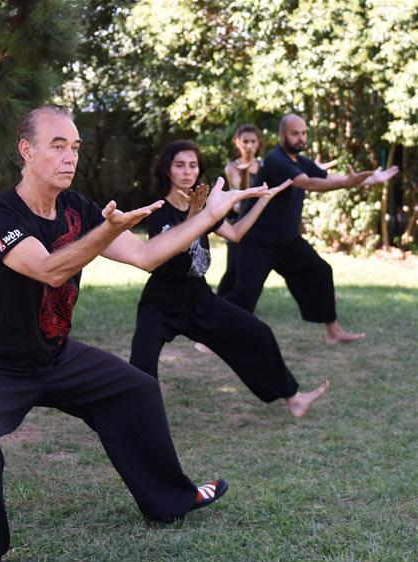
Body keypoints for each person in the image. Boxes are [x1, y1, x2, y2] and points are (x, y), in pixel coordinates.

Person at [0, 105, 268, 562]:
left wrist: (208, 217)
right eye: (57, 146)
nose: (70, 157)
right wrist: (107, 231)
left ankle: (171, 498)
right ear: (26, 151)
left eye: (75, 147)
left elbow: (148, 256)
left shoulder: (78, 209)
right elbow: (49, 269)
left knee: (136, 389)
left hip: (54, 353)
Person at [129, 140, 329, 418]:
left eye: (193, 165)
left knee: (258, 333)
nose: (187, 172)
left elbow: (236, 234)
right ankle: (138, 420)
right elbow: (168, 250)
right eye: (179, 165)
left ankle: (294, 399)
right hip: (161, 299)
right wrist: (194, 213)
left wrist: (263, 202)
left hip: (199, 297)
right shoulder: (158, 209)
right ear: (167, 169)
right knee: (141, 363)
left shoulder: (204, 207)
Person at [224, 114, 399, 345]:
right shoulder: (276, 160)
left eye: (304, 133)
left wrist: (367, 180)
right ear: (282, 135)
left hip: (287, 241)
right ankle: (212, 337)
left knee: (320, 272)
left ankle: (333, 331)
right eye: (295, 133)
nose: (301, 138)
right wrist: (349, 182)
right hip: (257, 240)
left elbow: (328, 176)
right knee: (245, 294)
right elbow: (309, 183)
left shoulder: (300, 161)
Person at [215, 124, 263, 297]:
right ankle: (219, 300)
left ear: (258, 143)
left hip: (259, 221)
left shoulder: (265, 165)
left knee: (253, 268)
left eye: (253, 141)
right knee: (234, 268)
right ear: (237, 142)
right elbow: (243, 195)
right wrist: (244, 173)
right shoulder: (231, 167)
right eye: (245, 141)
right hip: (238, 220)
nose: (249, 146)